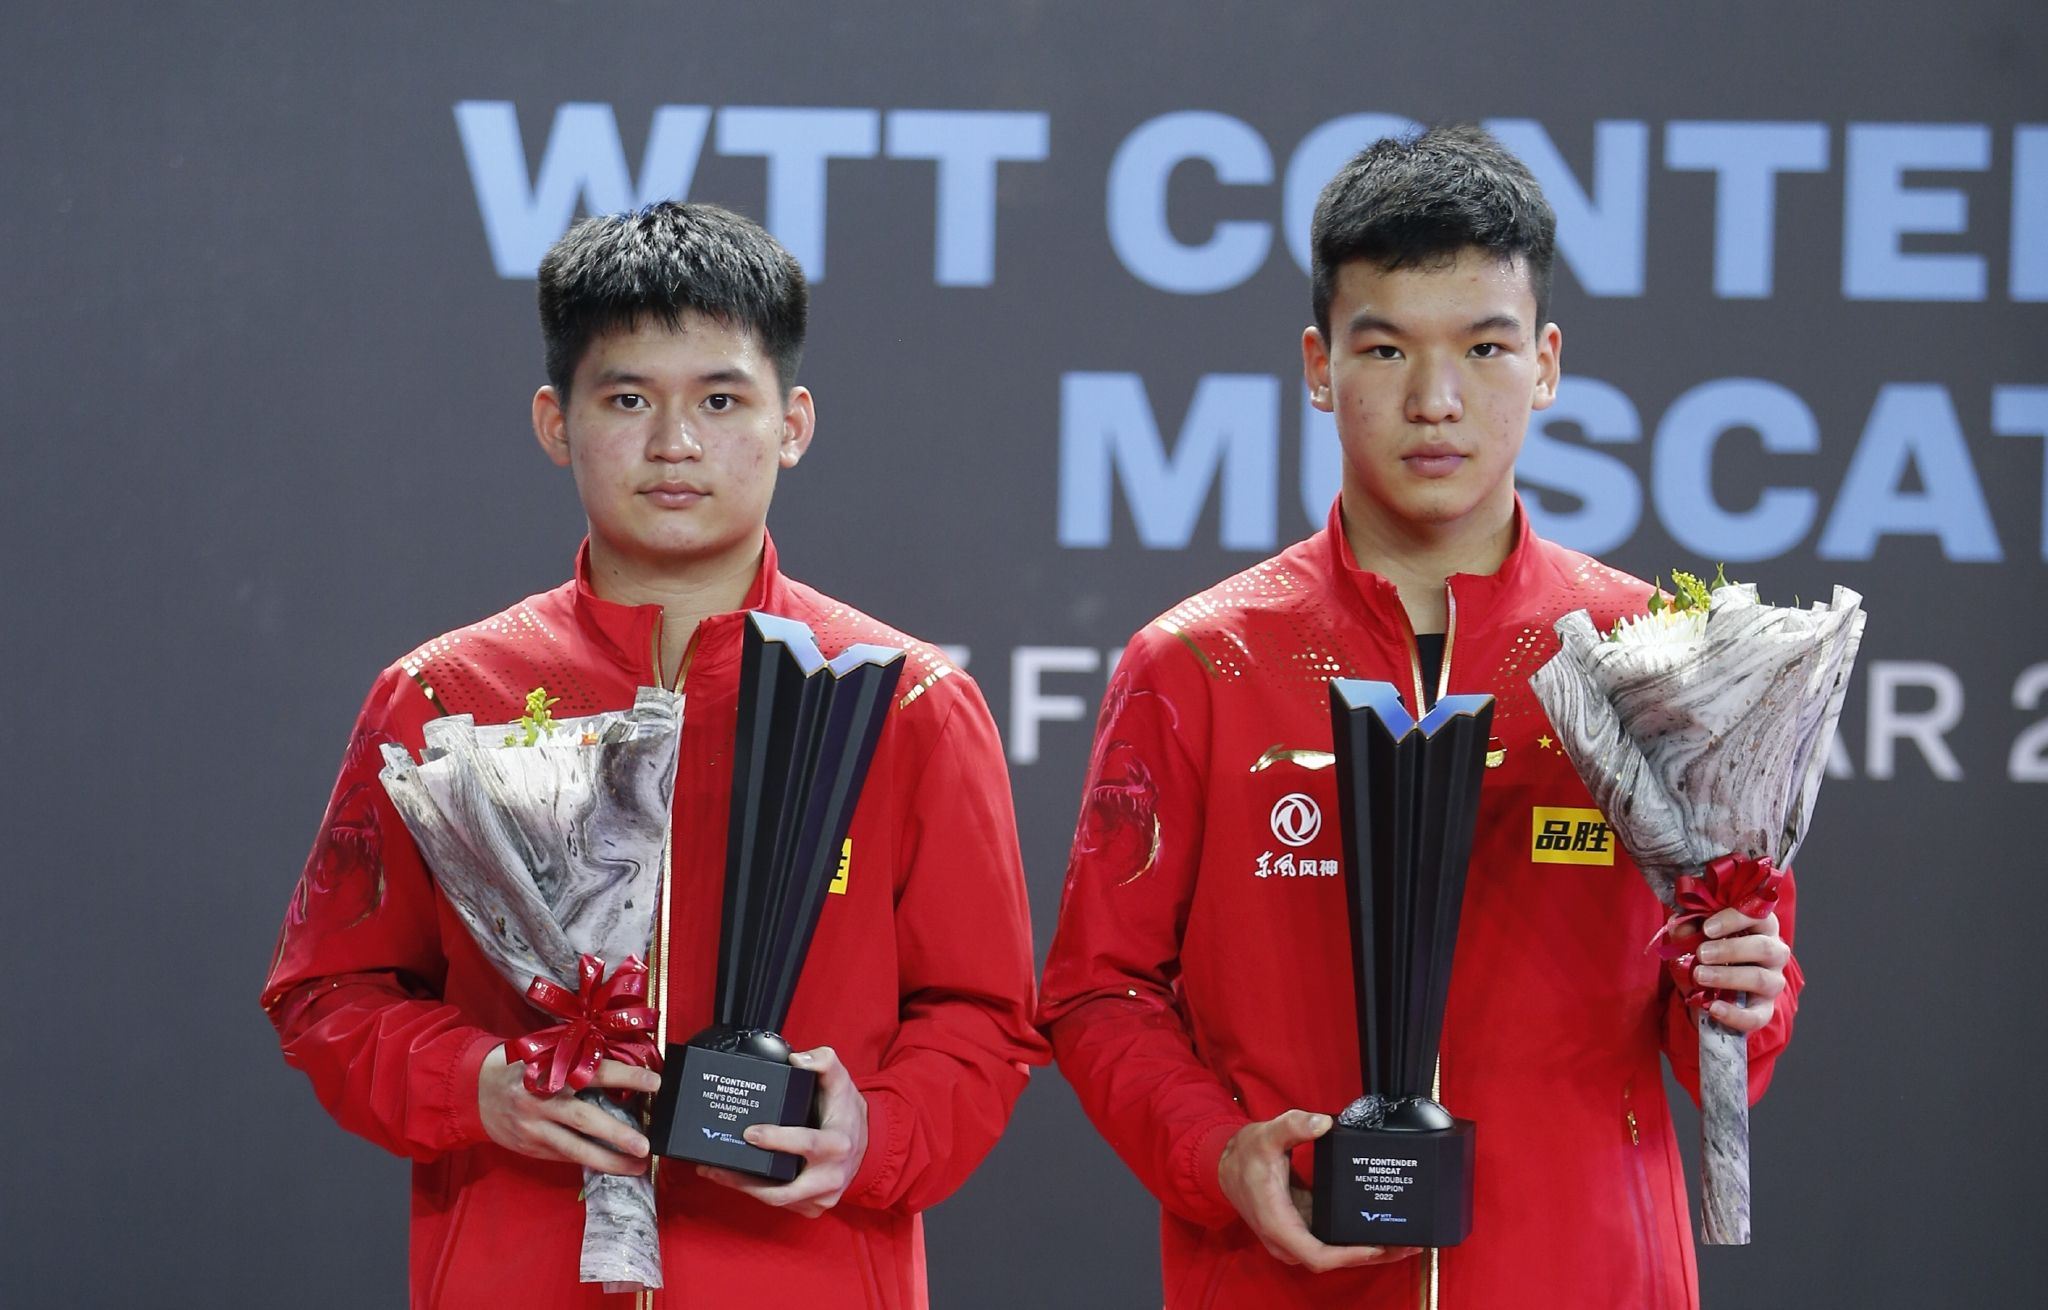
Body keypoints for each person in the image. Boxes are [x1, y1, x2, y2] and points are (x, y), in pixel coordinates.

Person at [1036, 126, 1800, 1309]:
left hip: (1588, 1276)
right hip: (1283, 1280)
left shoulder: (1659, 661)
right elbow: (1097, 989)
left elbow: (1735, 1031)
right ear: (1317, 364)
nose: (1434, 400)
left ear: (1544, 363)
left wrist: (1745, 993)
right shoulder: (1196, 663)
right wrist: (1217, 1153)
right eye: (1384, 347)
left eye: (1483, 348)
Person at [263, 201, 1047, 1308]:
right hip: (517, 1273)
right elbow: (329, 991)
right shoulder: (442, 697)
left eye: (721, 400)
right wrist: (476, 1083)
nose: (675, 443)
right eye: (627, 399)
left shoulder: (902, 701)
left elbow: (986, 1020)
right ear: (555, 421)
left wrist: (874, 1132)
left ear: (792, 422)